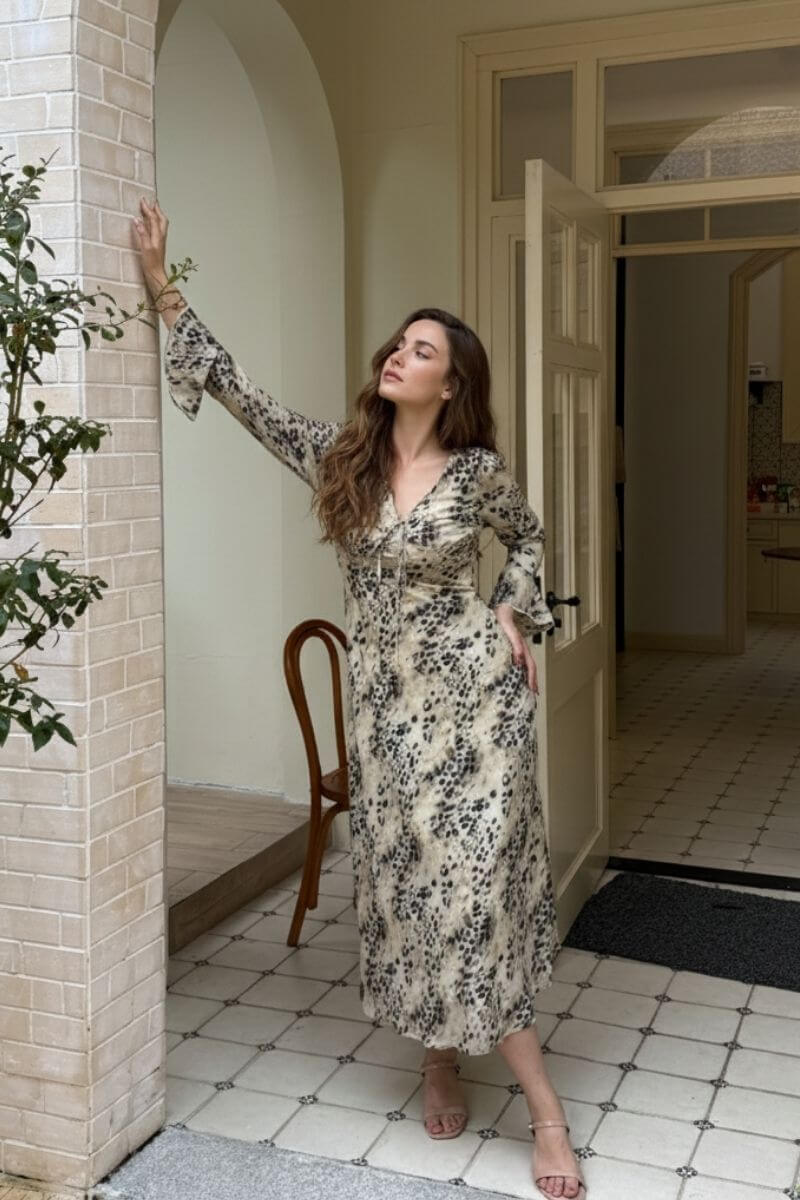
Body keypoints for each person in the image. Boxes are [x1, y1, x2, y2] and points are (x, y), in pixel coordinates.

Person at [132, 195, 586, 1200]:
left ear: (450, 380)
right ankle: (434, 1054)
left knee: (473, 893)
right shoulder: (342, 456)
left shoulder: (477, 474)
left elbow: (533, 543)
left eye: (420, 350)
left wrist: (517, 613)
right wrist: (166, 291)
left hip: (474, 711)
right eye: (397, 343)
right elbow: (243, 397)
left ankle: (543, 1111)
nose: (398, 355)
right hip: (386, 715)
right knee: (408, 885)